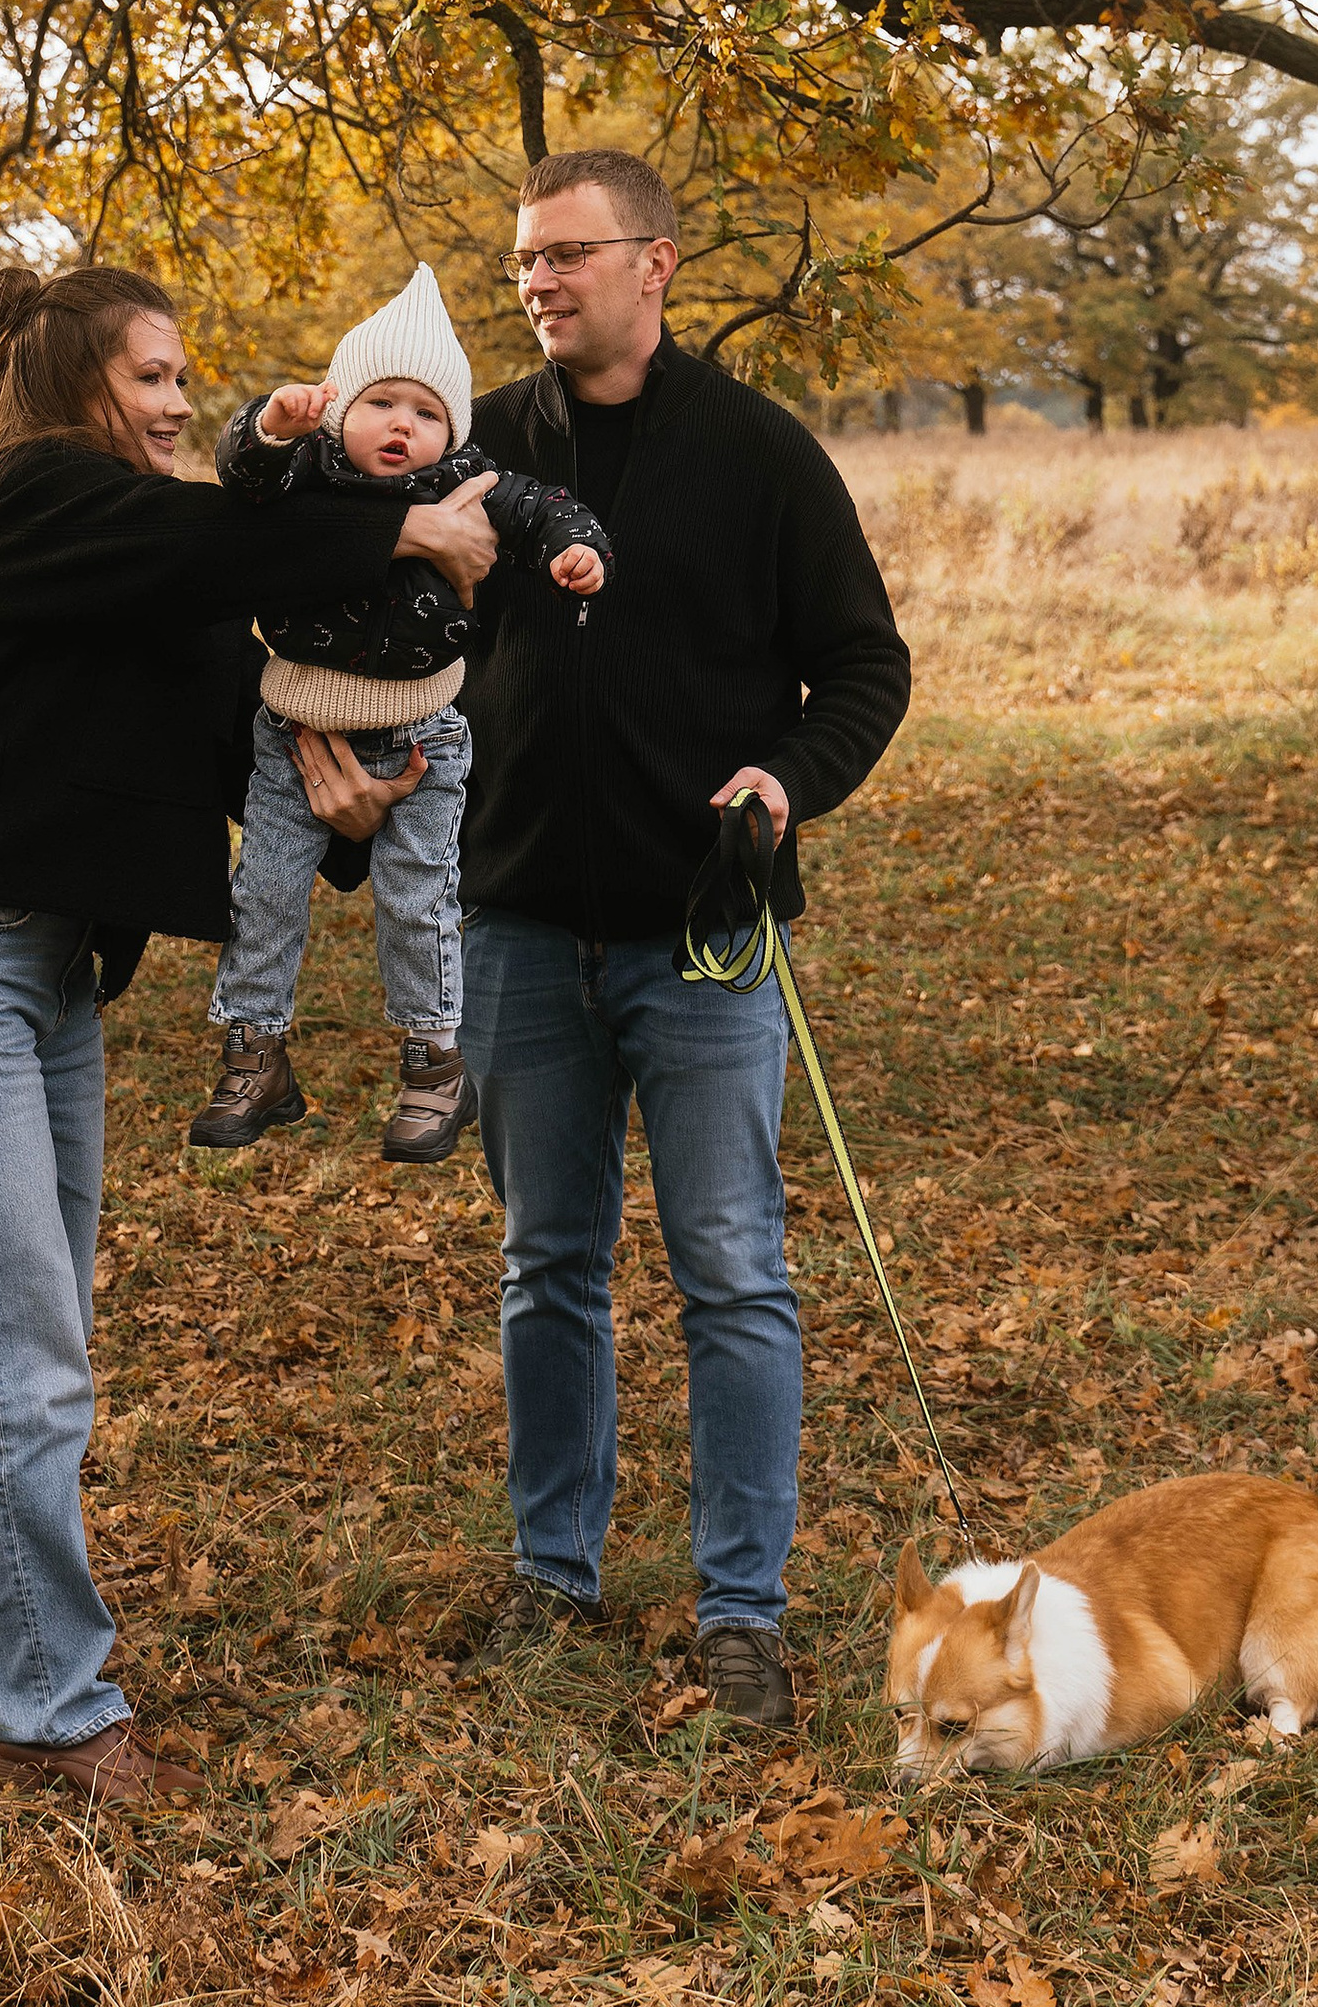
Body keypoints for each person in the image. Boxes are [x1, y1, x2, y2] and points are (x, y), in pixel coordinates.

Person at [0, 260, 497, 1805]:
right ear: (75, 384)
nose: (180, 402)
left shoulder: (143, 566)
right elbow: (217, 539)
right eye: (151, 376)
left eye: (183, 378)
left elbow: (255, 732)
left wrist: (348, 805)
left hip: (48, 979)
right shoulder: (41, 501)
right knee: (25, 1368)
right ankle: (54, 1714)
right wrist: (404, 521)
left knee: (26, 1343)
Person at [302, 150, 911, 1734]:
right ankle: (551, 1575)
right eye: (523, 261)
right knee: (547, 1265)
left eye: (567, 254)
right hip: (512, 927)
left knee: (733, 1273)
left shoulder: (760, 454)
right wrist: (352, 784)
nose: (537, 282)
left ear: (656, 263)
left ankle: (742, 1611)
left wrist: (788, 778)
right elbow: (377, 635)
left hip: (701, 936)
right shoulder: (476, 445)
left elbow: (864, 666)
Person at [186, 262, 611, 1165]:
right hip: (294, 730)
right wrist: (269, 426)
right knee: (263, 894)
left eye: (426, 413)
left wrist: (576, 550)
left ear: (451, 431)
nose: (402, 425)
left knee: (417, 903)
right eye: (381, 403)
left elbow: (547, 508)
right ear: (341, 407)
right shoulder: (304, 470)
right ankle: (254, 1051)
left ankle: (434, 1063)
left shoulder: (470, 482)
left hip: (421, 732)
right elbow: (241, 479)